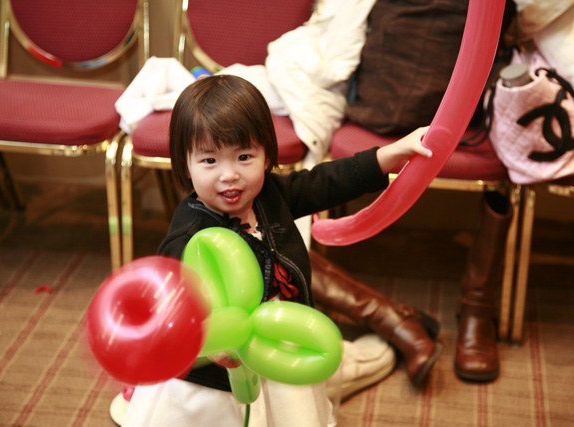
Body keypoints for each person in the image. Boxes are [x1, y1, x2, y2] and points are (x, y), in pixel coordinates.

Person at [121, 74, 439, 427]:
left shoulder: (270, 194)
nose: (230, 175)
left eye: (244, 157)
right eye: (209, 161)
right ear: (185, 164)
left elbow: (327, 182)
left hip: (280, 343)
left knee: (292, 413)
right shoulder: (188, 234)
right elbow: (172, 307)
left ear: (266, 154)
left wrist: (389, 155)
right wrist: (211, 345)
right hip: (217, 380)